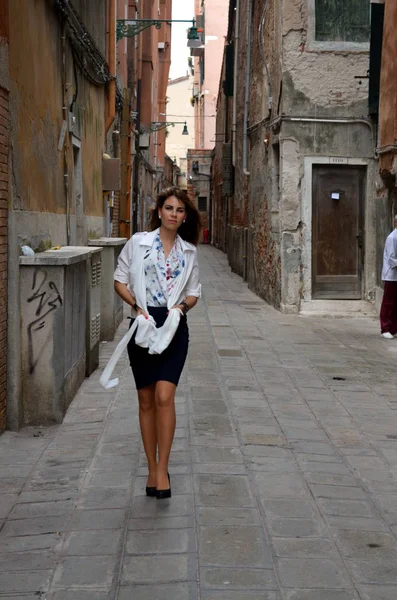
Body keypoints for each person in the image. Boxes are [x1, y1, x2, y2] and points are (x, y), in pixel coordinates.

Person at [112, 187, 202, 499]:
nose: (174, 214)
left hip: (175, 328)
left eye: (179, 210)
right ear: (160, 212)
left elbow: (194, 291)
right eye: (169, 208)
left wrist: (183, 308)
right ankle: (151, 467)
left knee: (165, 396)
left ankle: (163, 467)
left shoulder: (188, 251)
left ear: (184, 216)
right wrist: (137, 307)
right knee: (146, 399)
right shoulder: (138, 242)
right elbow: (119, 280)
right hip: (144, 325)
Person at [380, 215, 397, 339]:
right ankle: (385, 328)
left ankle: (394, 328)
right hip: (391, 275)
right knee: (388, 302)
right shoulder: (392, 237)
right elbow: (391, 258)